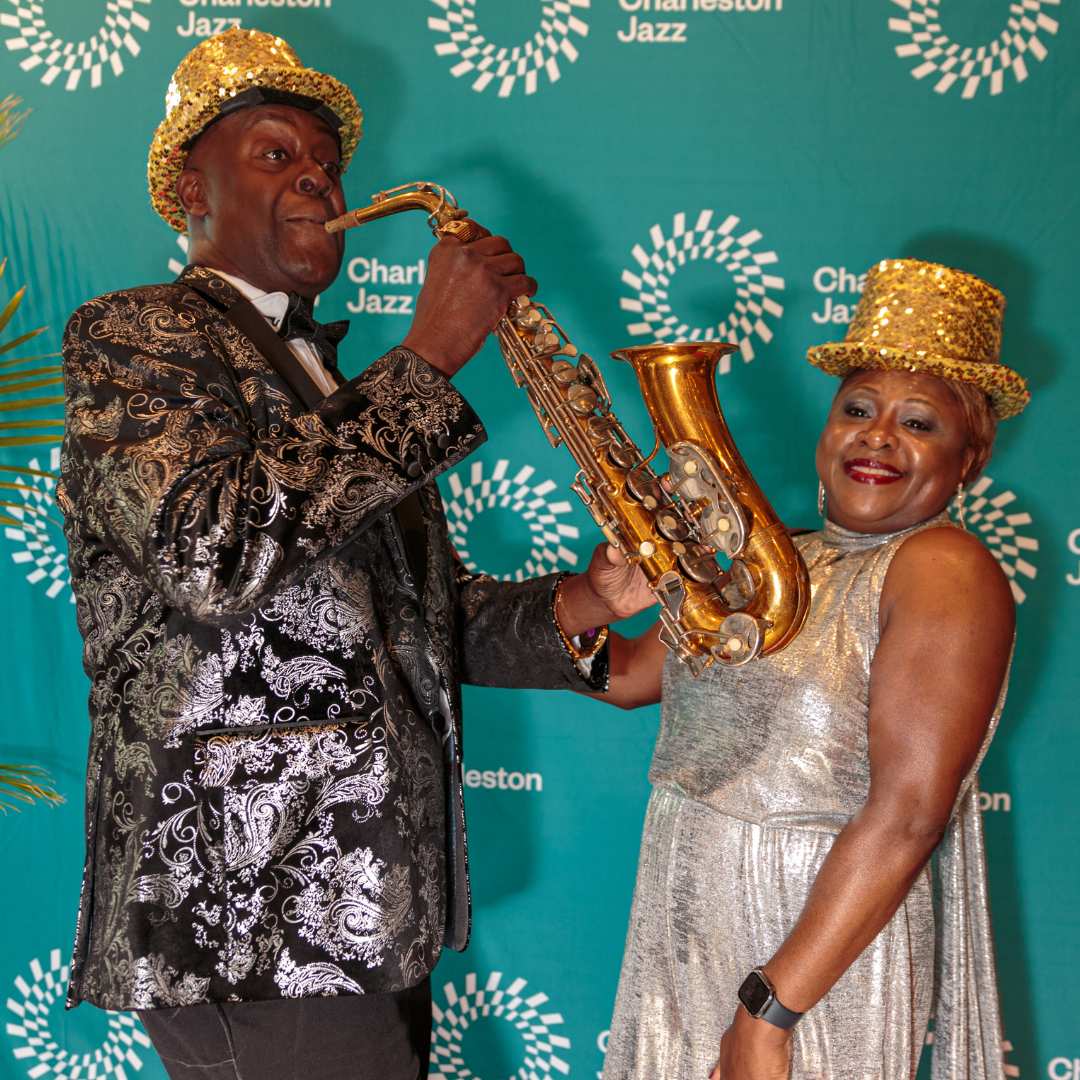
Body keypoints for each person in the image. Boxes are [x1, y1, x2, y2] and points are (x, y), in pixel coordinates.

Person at [58, 28, 649, 1080]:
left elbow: (424, 624)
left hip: (364, 902)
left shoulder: (333, 389)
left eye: (327, 165)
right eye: (276, 153)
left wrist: (587, 599)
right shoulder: (133, 333)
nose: (318, 180)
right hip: (246, 911)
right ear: (193, 188)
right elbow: (210, 552)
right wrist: (428, 357)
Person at [595, 259, 1028, 1080]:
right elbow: (625, 678)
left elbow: (905, 816)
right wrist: (599, 591)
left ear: (968, 459)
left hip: (810, 961)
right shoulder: (782, 556)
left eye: (920, 424)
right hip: (685, 923)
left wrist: (767, 1013)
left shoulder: (943, 567)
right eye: (858, 410)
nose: (877, 436)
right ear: (827, 427)